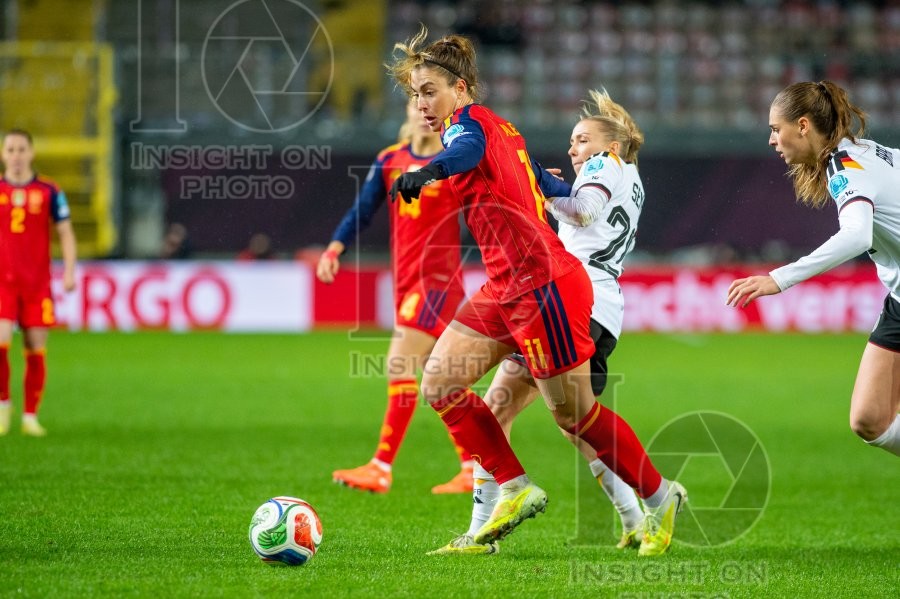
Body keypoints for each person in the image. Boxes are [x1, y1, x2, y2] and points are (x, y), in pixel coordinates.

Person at [388, 26, 686, 554]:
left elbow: (462, 152)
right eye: (415, 93)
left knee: (575, 417)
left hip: (543, 286)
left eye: (429, 90)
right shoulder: (508, 133)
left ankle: (659, 497)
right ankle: (514, 489)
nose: (421, 103)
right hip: (505, 286)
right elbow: (542, 186)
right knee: (439, 383)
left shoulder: (471, 125)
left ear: (460, 88)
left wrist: (429, 170)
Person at [727, 80, 900, 458]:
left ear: (802, 125)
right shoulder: (860, 151)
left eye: (776, 129)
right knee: (869, 417)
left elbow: (856, 235)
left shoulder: (846, 164)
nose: (772, 140)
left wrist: (779, 278)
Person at [319, 99, 474, 494]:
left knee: (399, 362)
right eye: (414, 106)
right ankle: (475, 466)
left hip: (438, 282)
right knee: (448, 380)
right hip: (406, 282)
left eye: (428, 106)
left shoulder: (452, 162)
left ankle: (381, 466)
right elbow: (362, 210)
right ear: (406, 114)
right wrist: (336, 246)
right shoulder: (389, 160)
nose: (422, 113)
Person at [0, 129, 77, 437]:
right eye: (11, 150)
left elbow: (66, 232)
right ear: (3, 154)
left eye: (21, 149)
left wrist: (69, 270)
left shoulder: (49, 190)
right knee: (0, 343)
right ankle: (3, 405)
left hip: (36, 284)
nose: (16, 156)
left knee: (35, 347)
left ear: (31, 153)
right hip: (3, 282)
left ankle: (30, 416)